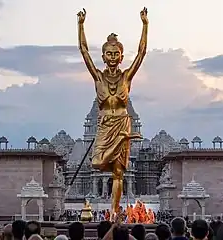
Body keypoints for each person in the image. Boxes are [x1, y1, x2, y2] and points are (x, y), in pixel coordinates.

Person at [77, 6, 148, 220]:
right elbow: (84, 51)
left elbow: (142, 53)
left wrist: (145, 24)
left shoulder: (126, 77)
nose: (113, 57)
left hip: (122, 123)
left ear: (121, 56)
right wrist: (80, 25)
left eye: (116, 53)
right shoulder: (98, 77)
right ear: (104, 56)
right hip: (105, 124)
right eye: (109, 53)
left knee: (119, 172)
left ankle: (115, 212)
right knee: (97, 164)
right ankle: (106, 203)